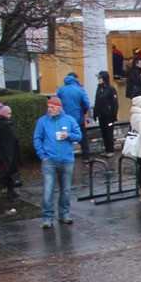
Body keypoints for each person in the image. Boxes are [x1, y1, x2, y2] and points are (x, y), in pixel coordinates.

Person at [33, 97, 82, 228]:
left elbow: (79, 136)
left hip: (66, 160)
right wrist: (42, 155)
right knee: (48, 190)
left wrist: (68, 135)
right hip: (49, 160)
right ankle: (47, 217)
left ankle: (64, 214)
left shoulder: (70, 120)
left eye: (52, 108)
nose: (49, 110)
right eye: (48, 107)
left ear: (59, 108)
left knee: (65, 190)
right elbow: (37, 138)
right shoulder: (42, 121)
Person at [56, 72, 92, 162]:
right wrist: (83, 112)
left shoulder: (61, 90)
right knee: (83, 137)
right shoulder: (80, 89)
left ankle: (64, 157)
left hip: (64, 118)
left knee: (64, 137)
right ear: (75, 79)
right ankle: (86, 157)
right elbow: (86, 103)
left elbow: (56, 102)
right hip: (78, 118)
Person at [0, 104, 22, 199]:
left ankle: (4, 188)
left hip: (1, 153)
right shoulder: (7, 125)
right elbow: (14, 139)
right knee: (10, 171)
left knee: (3, 171)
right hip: (10, 152)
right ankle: (9, 190)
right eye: (8, 113)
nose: (10, 115)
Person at [93, 70, 119, 157]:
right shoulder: (99, 88)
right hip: (101, 115)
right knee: (103, 132)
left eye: (100, 78)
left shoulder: (111, 89)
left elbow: (114, 103)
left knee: (109, 132)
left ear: (104, 78)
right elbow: (97, 101)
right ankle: (107, 149)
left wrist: (114, 114)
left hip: (109, 116)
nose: (98, 79)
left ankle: (111, 150)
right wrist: (95, 112)